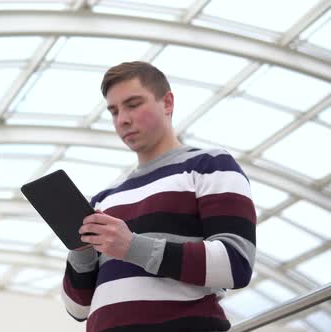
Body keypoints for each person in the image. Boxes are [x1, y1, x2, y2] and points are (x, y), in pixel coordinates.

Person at [60, 61, 256, 332]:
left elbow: (237, 263)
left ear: (167, 103)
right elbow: (77, 308)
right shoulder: (104, 200)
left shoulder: (210, 165)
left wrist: (132, 247)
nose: (122, 119)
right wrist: (81, 250)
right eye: (114, 111)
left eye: (133, 104)